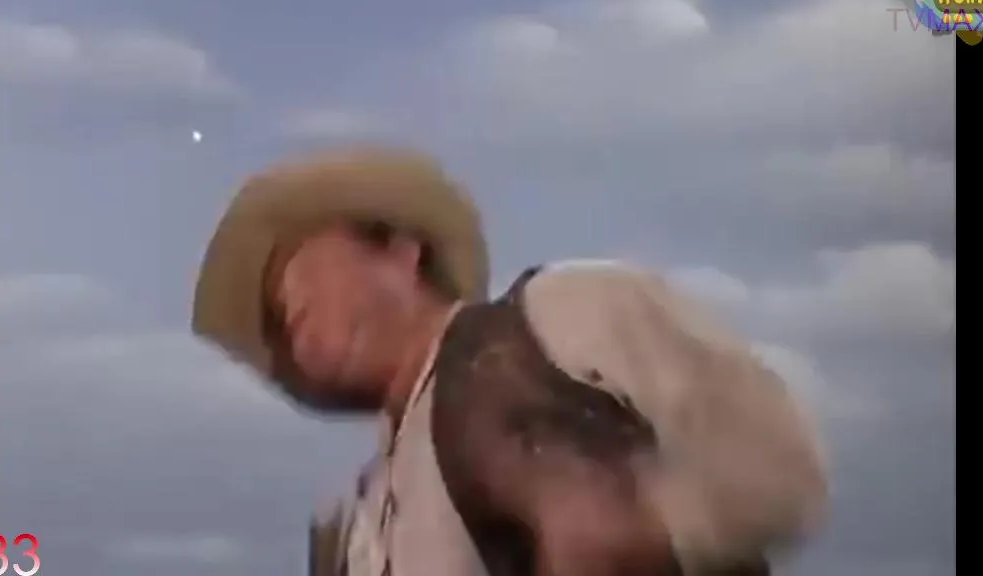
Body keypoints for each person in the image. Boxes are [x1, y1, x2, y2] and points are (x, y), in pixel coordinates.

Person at [192, 152, 827, 576]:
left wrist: (647, 524)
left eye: (299, 268)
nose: (285, 302)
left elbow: (775, 464)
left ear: (401, 250)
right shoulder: (351, 525)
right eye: (274, 310)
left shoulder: (562, 314)